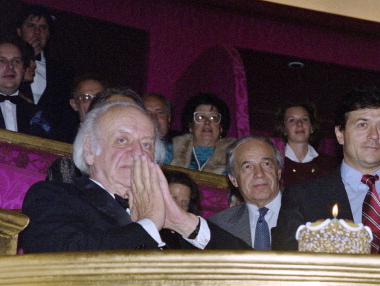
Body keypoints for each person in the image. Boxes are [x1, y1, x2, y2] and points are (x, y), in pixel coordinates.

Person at [19, 99, 251, 252]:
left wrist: (182, 222)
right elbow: (61, 260)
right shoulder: (53, 196)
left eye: (147, 145)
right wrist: (148, 224)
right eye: (122, 140)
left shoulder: (168, 219)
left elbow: (248, 267)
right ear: (89, 149)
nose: (138, 153)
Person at [272, 86, 380, 253]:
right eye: (362, 125)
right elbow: (289, 271)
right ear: (340, 134)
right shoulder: (302, 198)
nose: (374, 135)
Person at [208, 136, 283, 249]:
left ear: (278, 172)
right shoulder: (218, 226)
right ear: (233, 180)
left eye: (266, 164)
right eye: (248, 167)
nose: (259, 173)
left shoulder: (310, 214)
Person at [16, 5, 76, 142]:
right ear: (19, 31)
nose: (37, 32)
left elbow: (67, 115)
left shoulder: (63, 71)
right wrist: (26, 56)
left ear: (48, 34)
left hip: (51, 141)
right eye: (31, 26)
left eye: (43, 28)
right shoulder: (6, 63)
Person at [171, 92, 235, 174]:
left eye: (213, 117)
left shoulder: (233, 156)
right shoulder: (172, 151)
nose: (207, 122)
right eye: (200, 117)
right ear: (190, 126)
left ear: (221, 128)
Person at [275, 101, 336, 187]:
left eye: (304, 119)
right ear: (284, 129)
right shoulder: (275, 164)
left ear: (311, 127)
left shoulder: (329, 164)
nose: (299, 124)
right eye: (292, 120)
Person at [0, 38, 50, 138]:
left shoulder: (36, 114)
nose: (10, 66)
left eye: (16, 61)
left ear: (23, 70)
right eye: (2, 60)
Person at [160, 169, 202, 249]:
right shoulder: (144, 228)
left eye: (185, 202)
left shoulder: (191, 239)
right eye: (174, 198)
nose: (179, 206)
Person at [143, 93, 180, 164]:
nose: (153, 118)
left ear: (168, 119)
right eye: (147, 113)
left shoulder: (182, 148)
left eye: (159, 113)